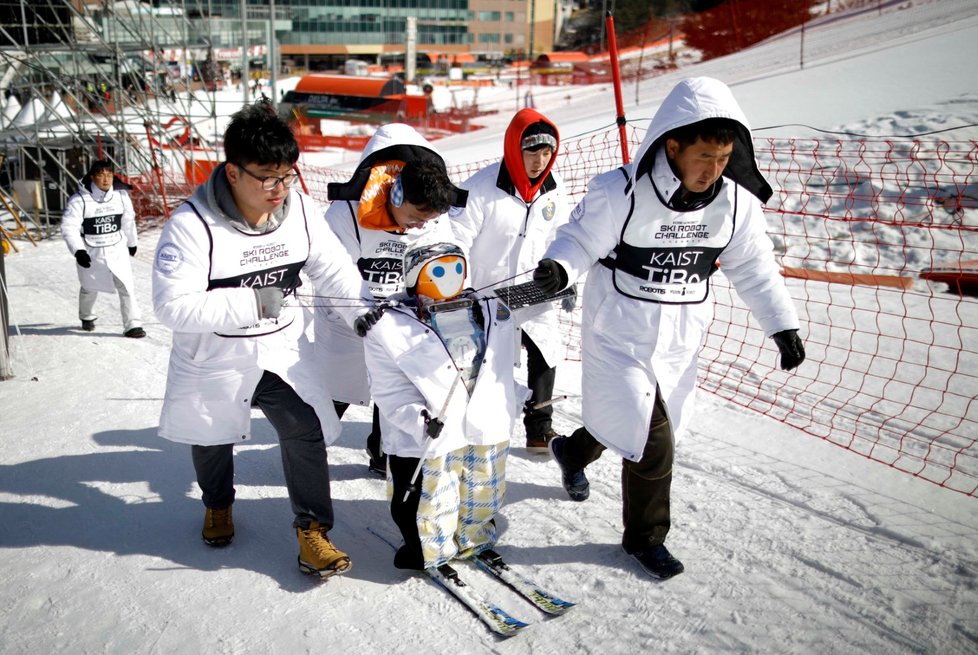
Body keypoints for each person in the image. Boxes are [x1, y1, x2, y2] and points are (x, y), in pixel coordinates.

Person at [533, 77, 807, 580]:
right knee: (653, 437)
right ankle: (645, 537)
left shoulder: (736, 205)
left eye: (724, 158)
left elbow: (754, 267)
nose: (714, 170)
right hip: (618, 332)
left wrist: (781, 326)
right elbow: (579, 239)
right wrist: (559, 267)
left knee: (630, 418)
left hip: (681, 336)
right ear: (672, 143)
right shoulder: (622, 192)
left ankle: (570, 452)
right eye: (705, 156)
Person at [152, 103, 375, 579]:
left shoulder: (298, 212)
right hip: (217, 355)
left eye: (287, 176)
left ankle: (312, 531)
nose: (280, 189)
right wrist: (254, 301)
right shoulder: (192, 226)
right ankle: (217, 505)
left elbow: (334, 270)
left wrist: (365, 316)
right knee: (211, 434)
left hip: (279, 351)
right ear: (233, 172)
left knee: (305, 428)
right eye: (267, 178)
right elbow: (172, 307)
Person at [358, 242, 526, 571]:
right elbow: (389, 389)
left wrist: (557, 283)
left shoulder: (489, 307)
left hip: (485, 421)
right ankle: (428, 551)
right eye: (438, 271)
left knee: (483, 488)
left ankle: (474, 536)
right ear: (415, 276)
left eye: (456, 269)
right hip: (432, 430)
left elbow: (535, 295)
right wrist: (419, 420)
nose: (450, 279)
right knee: (432, 499)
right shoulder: (391, 326)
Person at [318, 123, 464, 475]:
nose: (418, 227)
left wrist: (438, 298)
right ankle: (309, 443)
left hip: (401, 318)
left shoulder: (432, 216)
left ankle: (383, 451)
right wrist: (358, 309)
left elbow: (443, 259)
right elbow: (329, 271)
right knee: (335, 390)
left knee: (397, 385)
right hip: (348, 315)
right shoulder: (345, 214)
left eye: (425, 221)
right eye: (414, 218)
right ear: (396, 197)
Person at [452, 108, 571, 452]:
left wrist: (567, 276)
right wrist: (464, 289)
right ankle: (472, 425)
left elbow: (564, 236)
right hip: (487, 294)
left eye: (547, 152)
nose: (539, 160)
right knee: (484, 364)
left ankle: (539, 428)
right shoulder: (480, 188)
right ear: (514, 149)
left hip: (534, 289)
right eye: (531, 151)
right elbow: (457, 238)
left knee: (545, 351)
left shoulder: (554, 190)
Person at [60, 159, 145, 338]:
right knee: (89, 287)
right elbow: (69, 226)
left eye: (109, 175)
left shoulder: (121, 196)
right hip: (92, 251)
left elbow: (128, 219)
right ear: (92, 177)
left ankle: (133, 325)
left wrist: (132, 242)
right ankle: (86, 316)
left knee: (126, 286)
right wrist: (78, 250)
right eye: (101, 175)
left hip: (117, 249)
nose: (106, 180)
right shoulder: (80, 200)